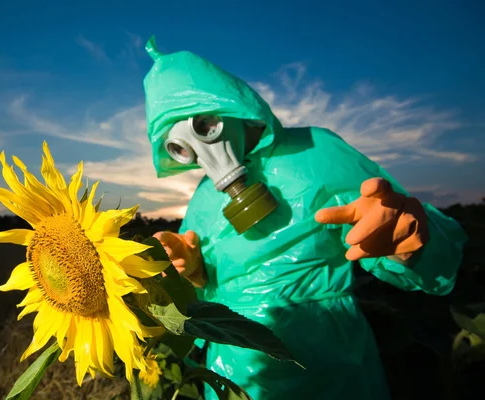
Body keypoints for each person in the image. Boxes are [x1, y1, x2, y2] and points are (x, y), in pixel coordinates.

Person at [142, 37, 467, 400]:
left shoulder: (316, 152)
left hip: (329, 364)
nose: (207, 155)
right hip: (232, 373)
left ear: (228, 107)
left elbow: (435, 249)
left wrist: (407, 241)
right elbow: (199, 299)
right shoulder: (203, 198)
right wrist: (192, 272)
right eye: (181, 147)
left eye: (204, 125)